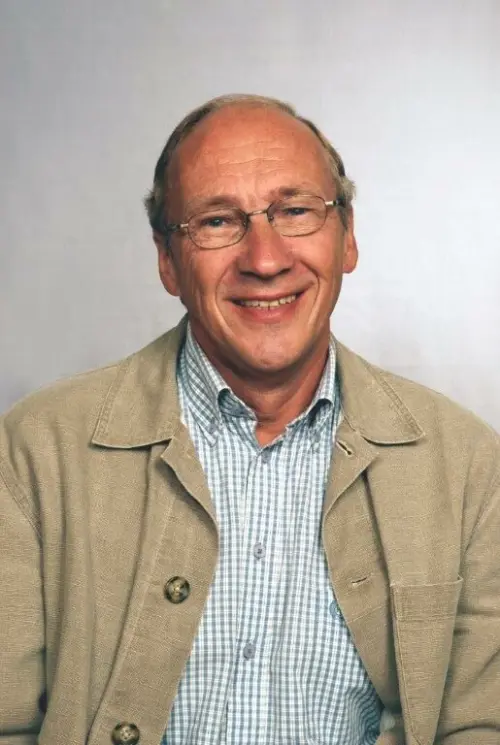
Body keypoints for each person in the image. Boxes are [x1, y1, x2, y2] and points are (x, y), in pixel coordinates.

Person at [1, 94, 499, 745]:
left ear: (347, 236)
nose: (265, 259)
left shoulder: (469, 467)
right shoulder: (33, 452)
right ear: (166, 259)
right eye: (216, 221)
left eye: (295, 211)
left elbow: (480, 724)